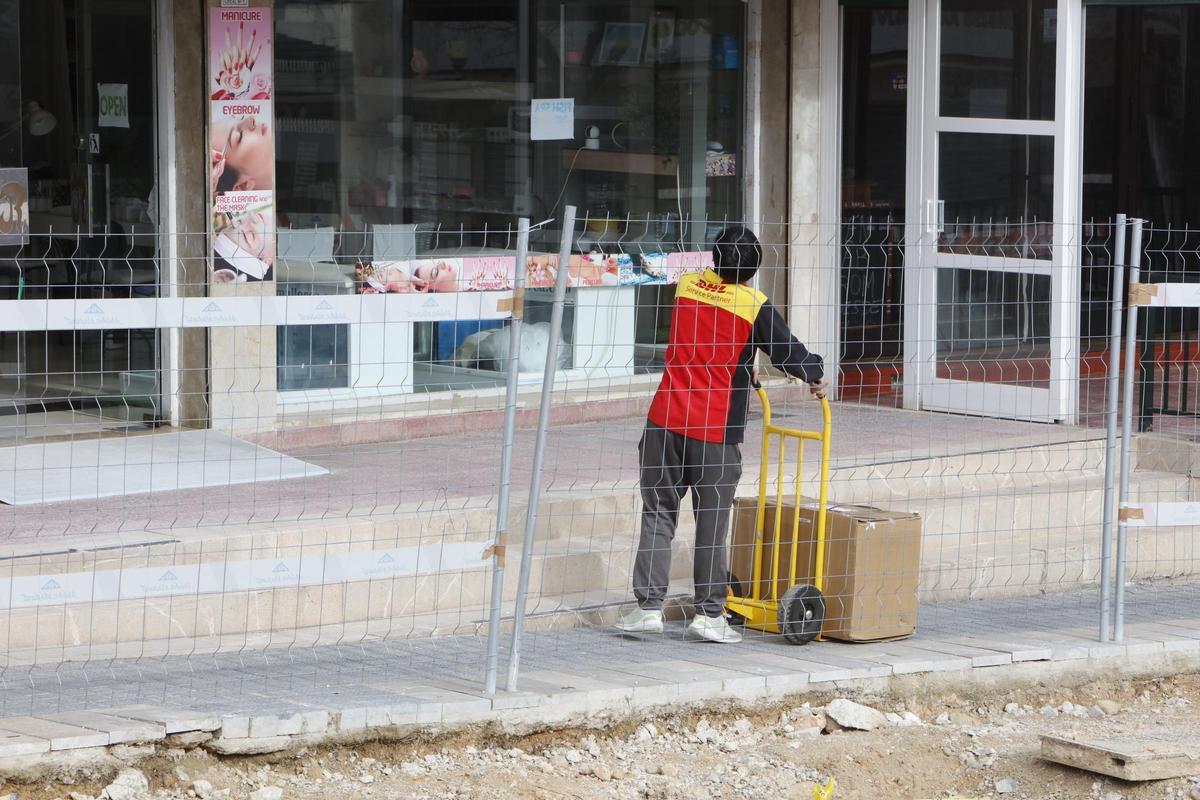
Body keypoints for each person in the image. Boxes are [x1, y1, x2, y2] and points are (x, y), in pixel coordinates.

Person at [615, 226, 826, 644]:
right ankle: (710, 615)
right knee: (712, 521)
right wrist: (815, 373)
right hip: (715, 428)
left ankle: (647, 609)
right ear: (754, 270)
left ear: (713, 258)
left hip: (665, 419)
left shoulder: (689, 285)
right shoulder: (753, 304)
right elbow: (786, 352)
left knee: (658, 513)